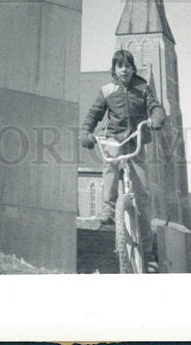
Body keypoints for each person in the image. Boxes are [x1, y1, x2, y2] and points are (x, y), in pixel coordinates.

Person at [80, 49, 166, 252]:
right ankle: (108, 207)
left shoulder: (142, 88)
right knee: (110, 162)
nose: (124, 70)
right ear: (115, 69)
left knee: (142, 193)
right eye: (120, 66)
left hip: (135, 139)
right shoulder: (107, 90)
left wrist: (156, 118)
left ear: (133, 68)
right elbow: (94, 114)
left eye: (128, 66)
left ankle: (146, 248)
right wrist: (86, 131)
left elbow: (155, 106)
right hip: (114, 137)